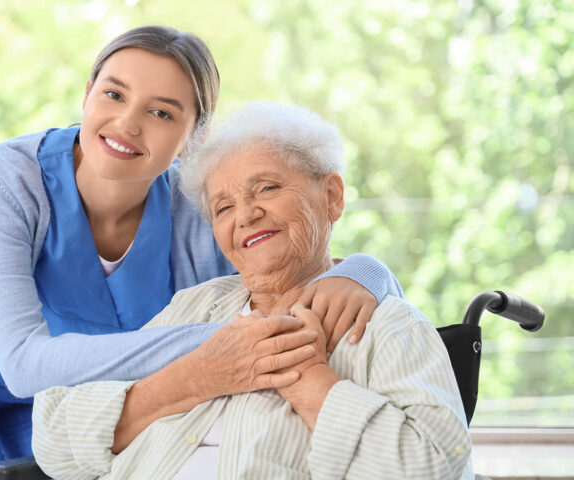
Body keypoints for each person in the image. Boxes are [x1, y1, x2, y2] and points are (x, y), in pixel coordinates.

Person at [0, 27, 403, 479]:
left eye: (163, 113)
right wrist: (220, 344)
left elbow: (284, 274)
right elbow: (25, 365)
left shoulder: (199, 211)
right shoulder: (11, 175)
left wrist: (366, 272)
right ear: (87, 94)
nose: (126, 123)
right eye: (114, 94)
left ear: (195, 136)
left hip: (64, 399)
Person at [32, 101, 473, 480]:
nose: (245, 215)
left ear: (332, 196)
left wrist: (310, 381)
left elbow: (438, 468)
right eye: (223, 207)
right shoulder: (196, 307)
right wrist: (193, 377)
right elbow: (52, 438)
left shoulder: (386, 327)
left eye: (267, 187)